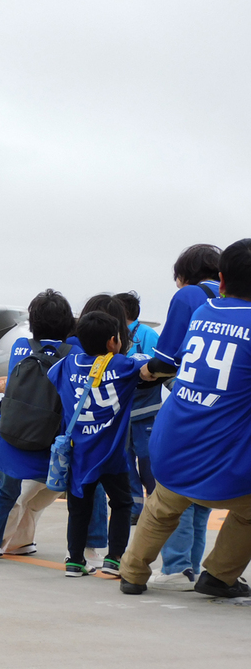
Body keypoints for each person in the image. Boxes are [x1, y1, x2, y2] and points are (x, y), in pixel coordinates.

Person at [120, 239, 251, 599]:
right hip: (224, 459)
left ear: (221, 280)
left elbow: (168, 361)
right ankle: (220, 574)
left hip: (172, 441)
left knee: (162, 506)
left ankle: (132, 572)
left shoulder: (204, 312)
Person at [0, 289, 77, 563]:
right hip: (49, 447)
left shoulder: (19, 348)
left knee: (6, 491)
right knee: (82, 491)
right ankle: (86, 552)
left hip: (9, 440)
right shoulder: (74, 354)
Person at [141, 244, 222, 591]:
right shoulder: (234, 298)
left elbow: (166, 359)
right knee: (204, 495)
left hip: (193, 404)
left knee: (179, 485)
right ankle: (194, 566)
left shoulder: (188, 295)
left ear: (183, 273)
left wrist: (146, 372)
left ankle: (176, 567)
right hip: (228, 409)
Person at [48, 312, 150, 577]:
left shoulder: (68, 364)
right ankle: (114, 558)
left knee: (78, 508)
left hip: (80, 453)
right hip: (111, 454)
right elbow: (147, 366)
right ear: (113, 341)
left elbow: (51, 374)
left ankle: (74, 560)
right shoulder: (123, 365)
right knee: (121, 502)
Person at [113, 291, 161, 524]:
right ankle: (134, 508)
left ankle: (156, 505)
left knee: (147, 458)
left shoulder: (148, 334)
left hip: (145, 411)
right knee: (125, 459)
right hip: (121, 412)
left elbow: (157, 368)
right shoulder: (114, 337)